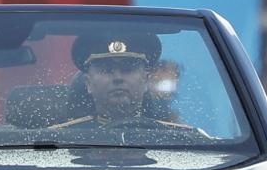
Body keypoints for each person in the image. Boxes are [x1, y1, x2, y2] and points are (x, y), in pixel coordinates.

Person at [49, 31, 210, 144]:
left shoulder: (182, 141)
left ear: (146, 80)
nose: (118, 77)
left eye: (128, 69)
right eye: (107, 70)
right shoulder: (58, 140)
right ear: (88, 83)